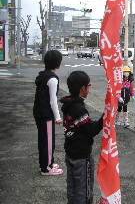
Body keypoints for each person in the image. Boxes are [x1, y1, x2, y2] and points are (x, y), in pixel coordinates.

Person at [60, 71, 103, 204]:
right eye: (89, 86)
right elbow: (91, 130)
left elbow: (84, 126)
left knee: (73, 187)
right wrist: (106, 116)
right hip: (81, 156)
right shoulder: (78, 108)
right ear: (83, 88)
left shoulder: (69, 104)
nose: (89, 89)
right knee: (83, 192)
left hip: (71, 152)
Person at [33, 50, 63, 176]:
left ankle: (47, 162)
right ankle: (47, 168)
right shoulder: (52, 79)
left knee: (43, 140)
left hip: (38, 112)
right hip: (46, 115)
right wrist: (58, 117)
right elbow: (53, 101)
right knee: (48, 142)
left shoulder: (42, 75)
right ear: (57, 63)